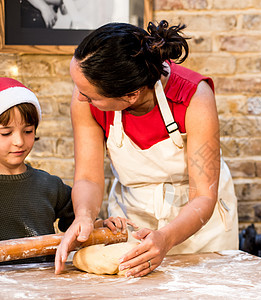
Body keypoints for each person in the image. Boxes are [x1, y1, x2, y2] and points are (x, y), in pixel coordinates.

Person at [55, 21, 238, 277]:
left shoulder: (195, 97)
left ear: (131, 95)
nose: (81, 98)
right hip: (133, 216)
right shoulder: (84, 96)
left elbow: (203, 197)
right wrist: (84, 216)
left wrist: (165, 238)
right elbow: (88, 177)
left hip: (199, 224)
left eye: (92, 96)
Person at [0, 77, 73, 264]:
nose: (19, 141)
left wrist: (100, 224)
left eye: (28, 131)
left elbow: (80, 221)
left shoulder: (49, 185)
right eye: (6, 133)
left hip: (43, 287)